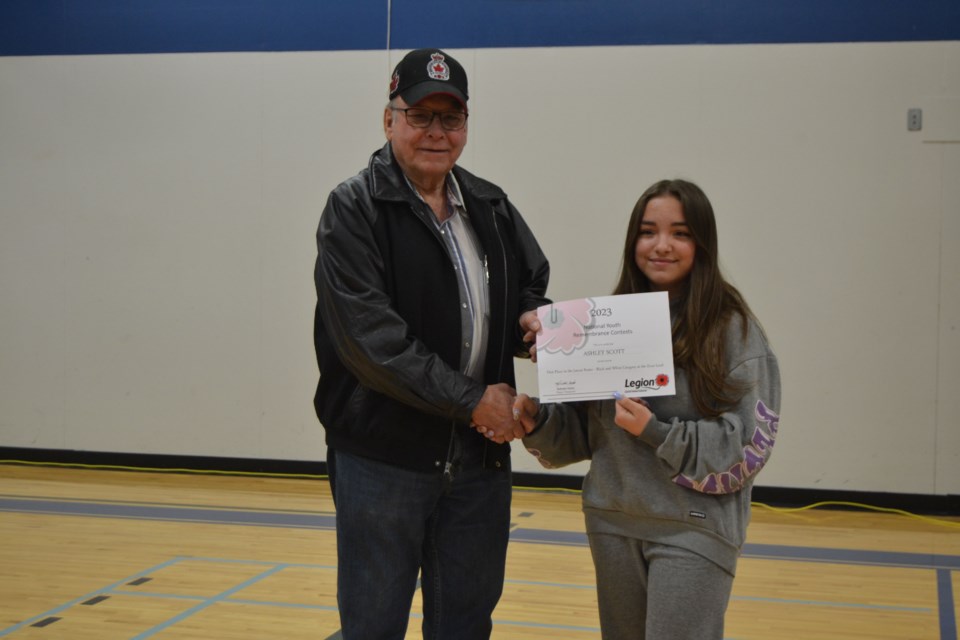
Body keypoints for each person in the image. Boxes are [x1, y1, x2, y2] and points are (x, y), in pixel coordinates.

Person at [312, 48, 550, 639]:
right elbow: (374, 343)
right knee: (372, 628)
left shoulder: (490, 205)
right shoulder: (353, 209)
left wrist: (538, 323)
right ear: (389, 119)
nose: (437, 132)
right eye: (420, 116)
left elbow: (529, 283)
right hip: (382, 460)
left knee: (465, 627)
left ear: (466, 125)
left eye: (452, 118)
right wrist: (474, 400)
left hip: (478, 461)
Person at [505, 179, 781, 639]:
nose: (661, 246)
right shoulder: (606, 322)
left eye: (680, 233)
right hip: (613, 522)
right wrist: (538, 422)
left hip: (694, 529)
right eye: (648, 231)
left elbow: (748, 447)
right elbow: (583, 435)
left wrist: (656, 431)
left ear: (703, 243)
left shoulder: (735, 330)